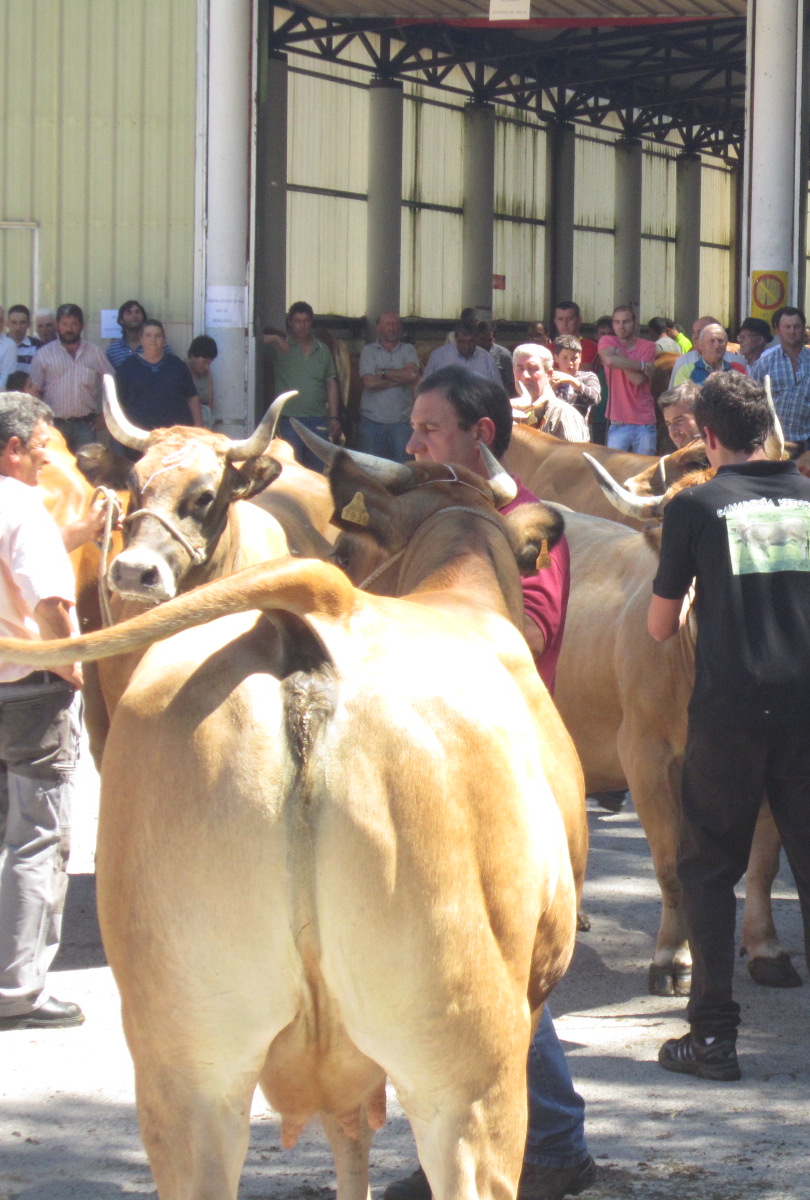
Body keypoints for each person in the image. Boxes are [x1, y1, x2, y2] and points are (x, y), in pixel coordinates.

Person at [385, 366, 593, 1200]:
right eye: (413, 428)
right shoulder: (443, 515)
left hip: (501, 764)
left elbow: (532, 624)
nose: (412, 445)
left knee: (497, 968)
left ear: (481, 434)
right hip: (442, 753)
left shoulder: (526, 522)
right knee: (453, 967)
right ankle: (476, 1145)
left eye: (429, 429)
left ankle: (555, 1142)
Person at [647, 370, 810, 1086]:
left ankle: (713, 1040)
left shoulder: (696, 507)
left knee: (709, 870)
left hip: (728, 711)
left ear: (708, 436)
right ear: (769, 430)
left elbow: (661, 627)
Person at [0, 391, 109, 1031]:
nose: (49, 456)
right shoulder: (26, 514)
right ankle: (20, 991)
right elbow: (49, 606)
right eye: (42, 444)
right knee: (37, 842)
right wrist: (70, 666)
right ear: (13, 449)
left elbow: (0, 557)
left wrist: (79, 534)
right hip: (31, 697)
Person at [262, 301, 340, 470]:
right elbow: (249, 339)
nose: (302, 325)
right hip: (289, 419)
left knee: (317, 470)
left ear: (311, 322)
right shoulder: (280, 347)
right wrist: (275, 338)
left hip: (318, 419)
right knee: (290, 469)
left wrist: (334, 417)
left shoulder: (323, 349)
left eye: (305, 320)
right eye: (297, 320)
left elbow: (331, 383)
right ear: (290, 322)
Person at [751, 305, 810, 453]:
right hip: (775, 439)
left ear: (803, 329)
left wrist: (809, 415)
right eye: (787, 327)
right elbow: (754, 401)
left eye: (797, 327)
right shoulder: (763, 364)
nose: (792, 331)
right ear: (778, 330)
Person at [26, 304, 113, 448]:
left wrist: (105, 416)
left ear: (81, 326)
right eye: (64, 324)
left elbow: (112, 384)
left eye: (74, 324)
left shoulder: (94, 352)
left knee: (86, 469)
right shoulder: (43, 354)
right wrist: (40, 422)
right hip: (54, 426)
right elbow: (33, 391)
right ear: (57, 326)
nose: (69, 329)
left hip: (86, 426)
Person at [358, 311, 421, 463]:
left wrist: (383, 372)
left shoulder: (409, 350)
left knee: (403, 471)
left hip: (402, 422)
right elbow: (369, 383)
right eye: (388, 324)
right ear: (379, 327)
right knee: (370, 471)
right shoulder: (368, 351)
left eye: (395, 324)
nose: (392, 328)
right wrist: (401, 378)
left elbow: (412, 375)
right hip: (372, 421)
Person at [115, 320, 200, 430]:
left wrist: (199, 430)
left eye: (158, 336)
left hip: (176, 437)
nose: (153, 340)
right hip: (139, 437)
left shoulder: (178, 365)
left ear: (164, 339)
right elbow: (119, 403)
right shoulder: (127, 366)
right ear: (141, 339)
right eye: (148, 336)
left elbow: (192, 397)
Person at [599, 305, 660, 455]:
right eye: (617, 322)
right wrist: (643, 365)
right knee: (613, 471)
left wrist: (620, 358)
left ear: (635, 323)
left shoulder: (649, 346)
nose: (621, 326)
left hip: (644, 422)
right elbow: (609, 361)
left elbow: (638, 379)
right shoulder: (607, 340)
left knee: (645, 471)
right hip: (618, 421)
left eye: (626, 322)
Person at [511, 343, 589, 442]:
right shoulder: (508, 412)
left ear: (549, 374)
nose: (525, 376)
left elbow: (573, 456)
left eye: (533, 369)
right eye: (520, 369)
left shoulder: (563, 414)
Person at [426, 318, 502, 386]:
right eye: (462, 342)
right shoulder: (438, 356)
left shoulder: (486, 358)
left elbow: (498, 390)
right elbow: (425, 387)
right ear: (455, 338)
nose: (467, 346)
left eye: (471, 342)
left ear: (476, 339)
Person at [672, 322, 747, 389]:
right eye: (711, 341)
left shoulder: (738, 369)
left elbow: (746, 398)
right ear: (701, 345)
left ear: (726, 344)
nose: (717, 345)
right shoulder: (686, 371)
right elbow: (681, 401)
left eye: (720, 341)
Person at [552, 334, 602, 422]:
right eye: (565, 358)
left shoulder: (588, 377)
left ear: (580, 358)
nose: (570, 363)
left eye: (574, 358)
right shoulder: (551, 378)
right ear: (556, 358)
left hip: (578, 429)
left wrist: (572, 381)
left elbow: (594, 398)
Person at [105, 299, 166, 367]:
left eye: (137, 312)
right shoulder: (112, 351)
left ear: (143, 318)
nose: (134, 315)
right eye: (129, 313)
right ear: (121, 320)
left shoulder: (160, 346)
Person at [553, 300, 598, 373]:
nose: (565, 323)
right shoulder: (546, 349)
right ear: (555, 321)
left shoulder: (593, 347)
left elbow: (584, 370)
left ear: (579, 320)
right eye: (560, 319)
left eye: (570, 319)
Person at [186, 335, 218, 425]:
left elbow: (210, 403)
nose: (207, 367)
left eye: (210, 363)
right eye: (204, 362)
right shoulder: (181, 370)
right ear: (193, 356)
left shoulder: (206, 373)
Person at [658, 382, 702, 447]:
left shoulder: (719, 455)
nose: (673, 431)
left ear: (700, 417)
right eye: (668, 424)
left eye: (679, 421)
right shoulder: (674, 457)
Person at [7, 305, 38, 374]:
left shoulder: (39, 347)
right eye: (14, 322)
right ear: (7, 324)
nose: (18, 327)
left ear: (29, 324)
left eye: (22, 323)